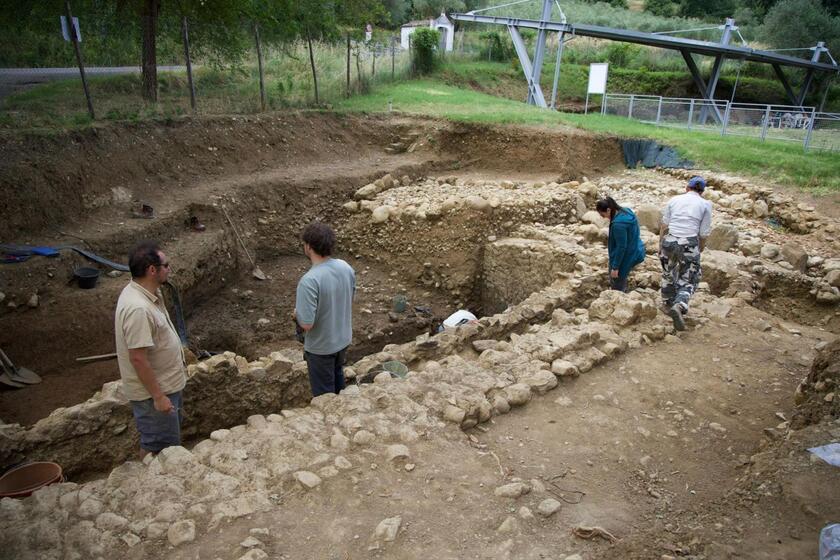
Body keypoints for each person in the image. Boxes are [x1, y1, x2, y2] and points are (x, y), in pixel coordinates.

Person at [115, 241, 186, 459]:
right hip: (154, 395)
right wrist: (158, 397)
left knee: (165, 441)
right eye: (166, 265)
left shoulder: (148, 294)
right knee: (158, 445)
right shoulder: (138, 309)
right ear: (152, 270)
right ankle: (152, 483)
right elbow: (138, 359)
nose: (169, 269)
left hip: (166, 386)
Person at [295, 222, 356, 397]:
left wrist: (297, 314)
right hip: (342, 340)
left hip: (321, 348)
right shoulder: (345, 267)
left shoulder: (309, 281)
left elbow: (306, 324)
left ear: (308, 247)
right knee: (338, 381)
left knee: (325, 397)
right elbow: (347, 299)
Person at [659, 176, 713, 331]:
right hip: (689, 243)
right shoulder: (705, 204)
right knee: (689, 277)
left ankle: (668, 304)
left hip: (669, 241)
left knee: (668, 273)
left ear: (686, 188)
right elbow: (703, 233)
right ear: (702, 191)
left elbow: (664, 225)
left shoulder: (674, 200)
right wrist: (699, 249)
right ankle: (680, 304)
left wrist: (660, 245)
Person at [596, 196, 646, 293]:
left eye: (602, 215)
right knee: (622, 277)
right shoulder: (626, 211)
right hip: (635, 249)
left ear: (608, 210)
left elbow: (621, 247)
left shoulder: (618, 225)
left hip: (625, 256)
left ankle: (619, 297)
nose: (603, 217)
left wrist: (615, 267)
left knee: (617, 280)